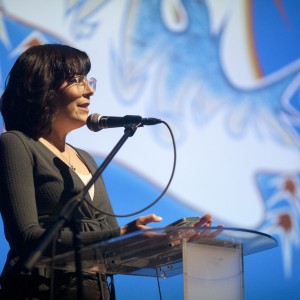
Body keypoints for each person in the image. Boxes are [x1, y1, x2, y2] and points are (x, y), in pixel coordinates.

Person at [0, 44, 217, 299]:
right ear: (43, 86)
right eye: (77, 80)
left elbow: (114, 250)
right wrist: (122, 233)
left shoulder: (87, 159)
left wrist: (169, 241)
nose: (90, 90)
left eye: (89, 81)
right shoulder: (17, 144)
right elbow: (27, 239)